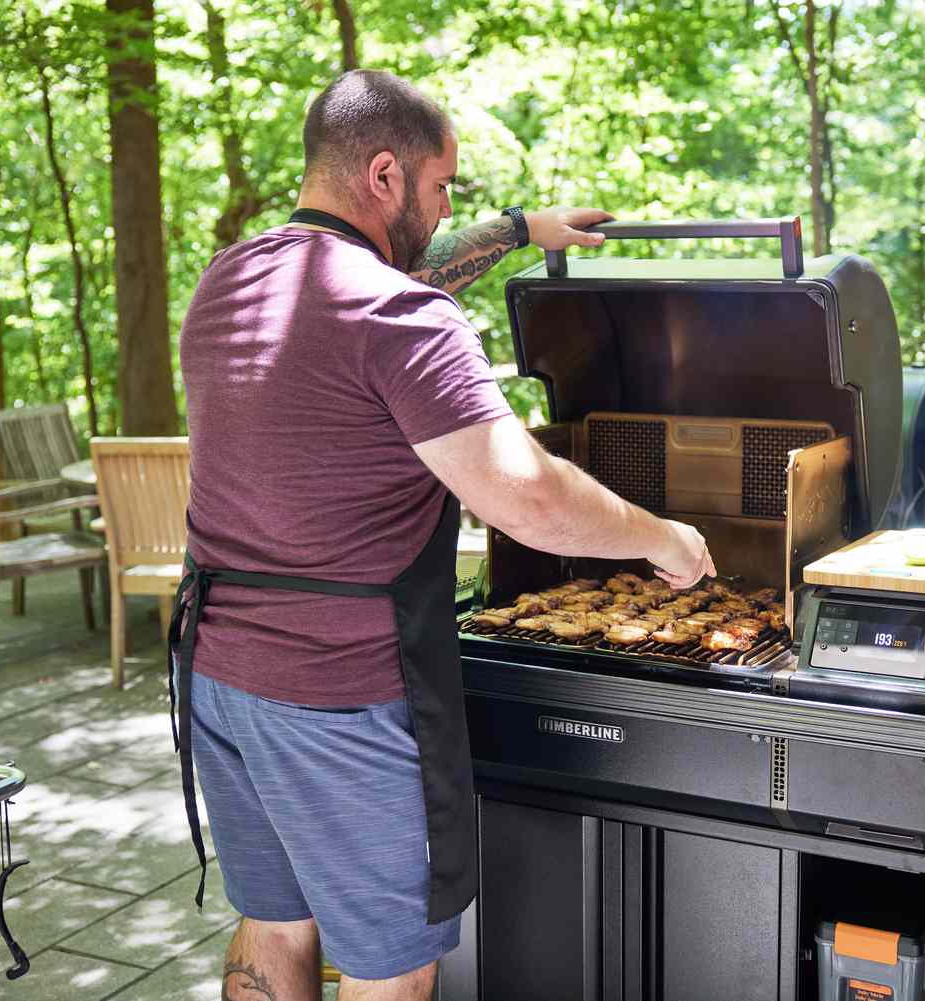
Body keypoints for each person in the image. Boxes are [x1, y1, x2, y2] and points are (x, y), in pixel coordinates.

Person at [172, 69, 714, 1001]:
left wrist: (520, 230)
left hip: (218, 676)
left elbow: (395, 271)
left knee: (271, 926)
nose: (445, 203)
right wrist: (664, 537)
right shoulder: (401, 318)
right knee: (392, 966)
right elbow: (527, 499)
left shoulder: (236, 276)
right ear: (384, 175)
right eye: (440, 186)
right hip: (341, 696)